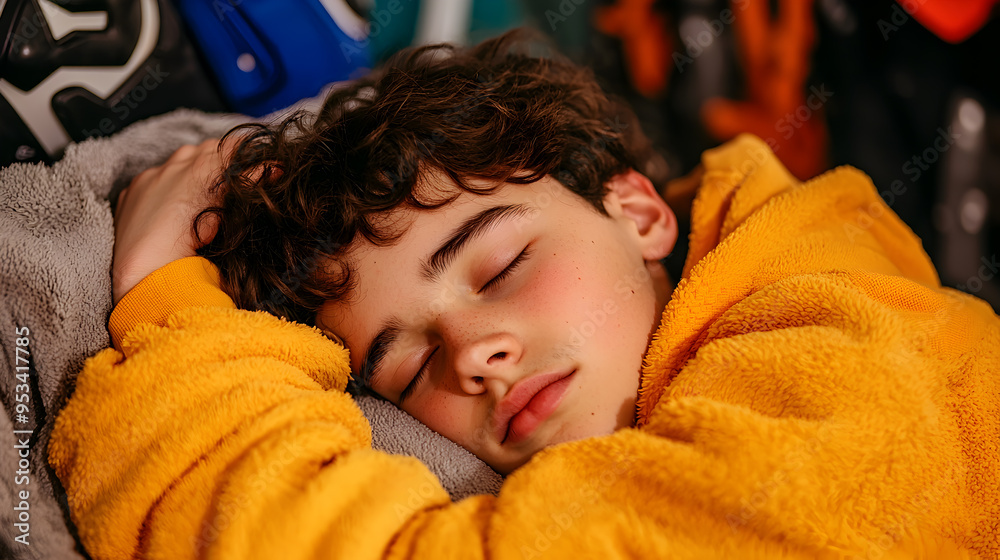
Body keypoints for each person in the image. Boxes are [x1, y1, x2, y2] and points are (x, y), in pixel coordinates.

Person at [49, 31, 998, 559]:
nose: (472, 354)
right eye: (411, 363)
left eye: (500, 267)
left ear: (636, 211)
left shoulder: (835, 338)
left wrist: (171, 305)